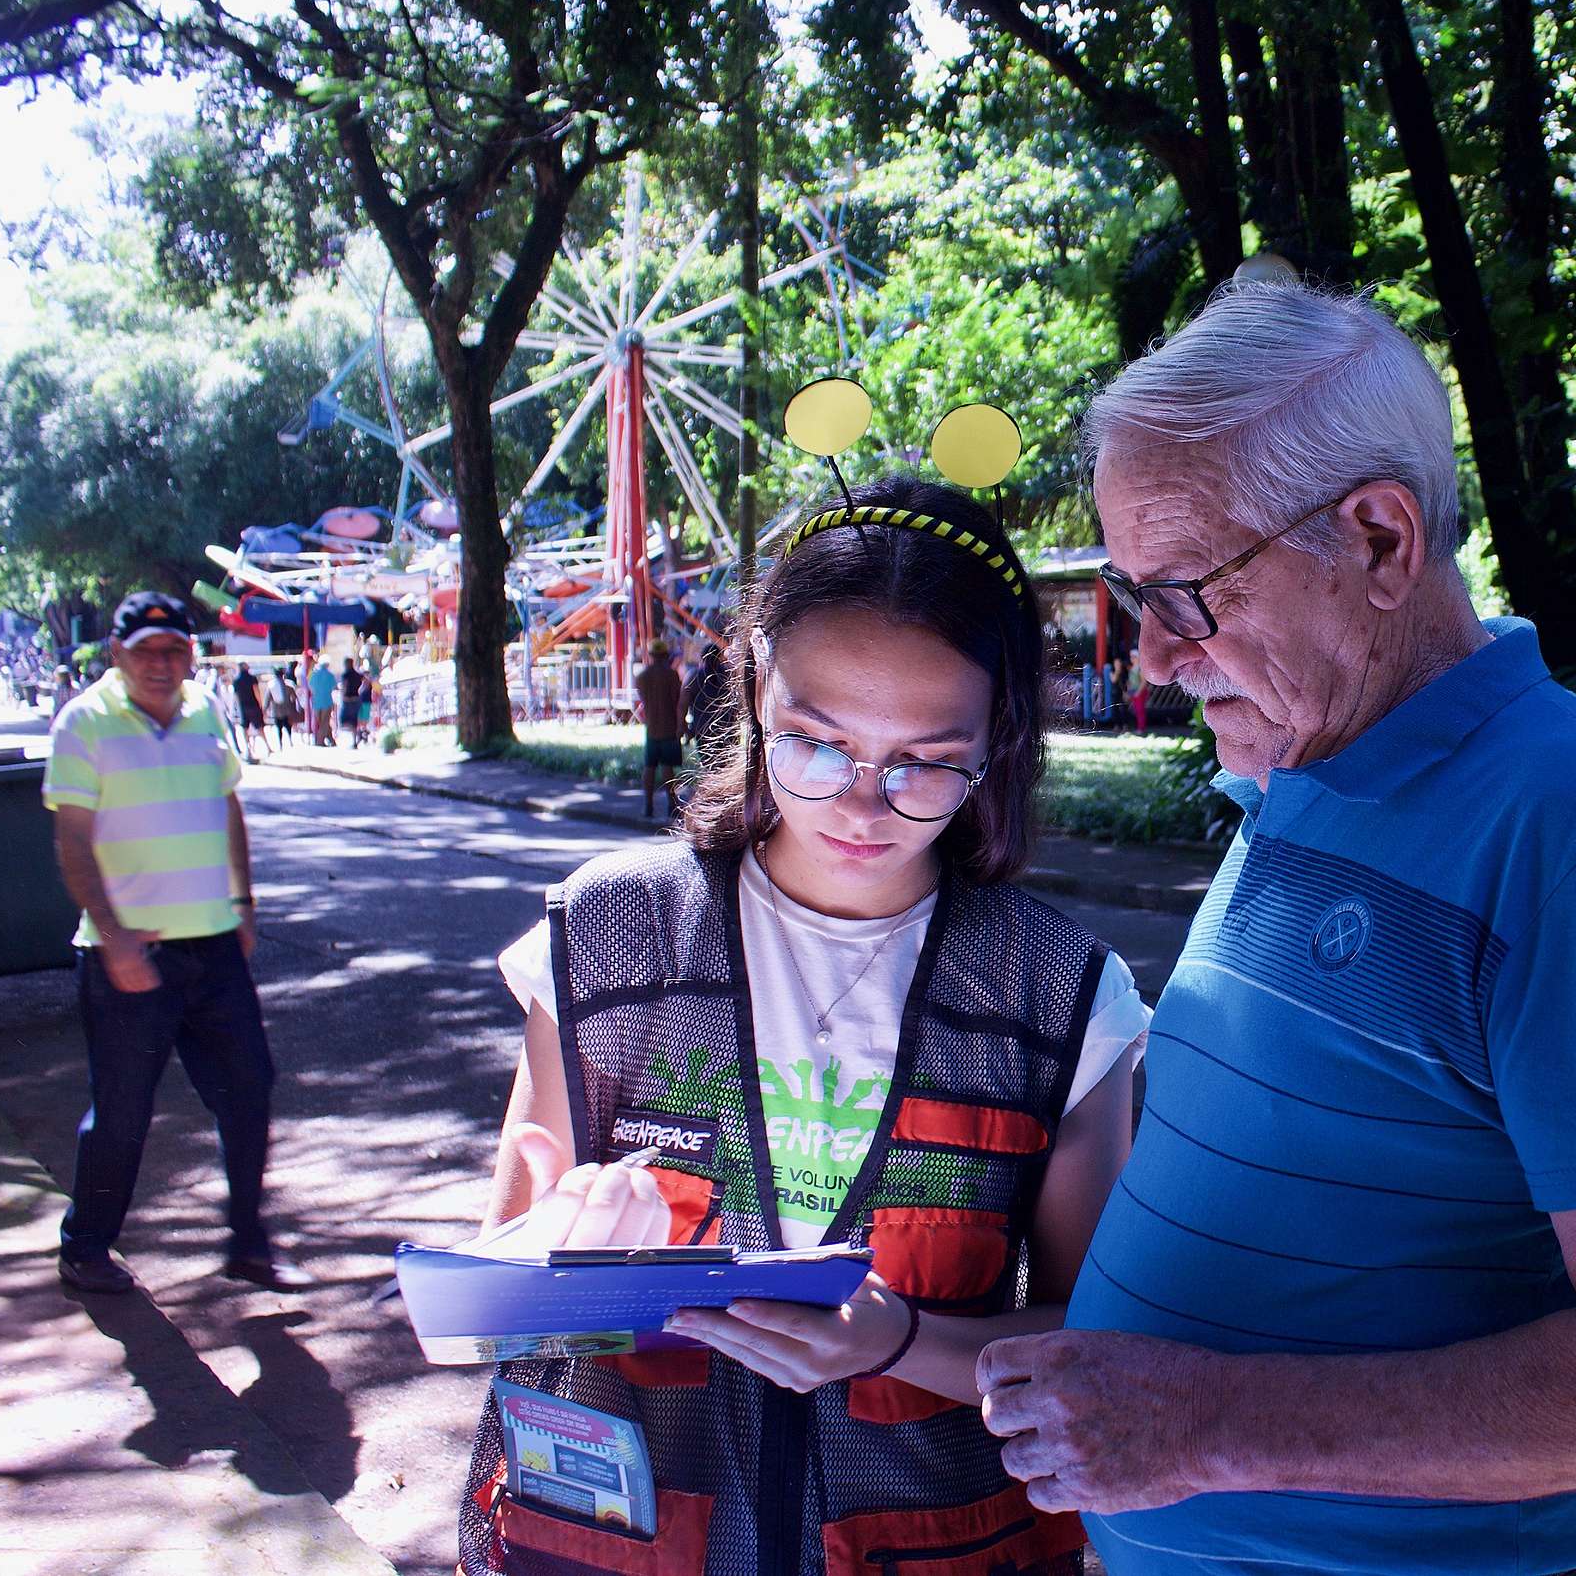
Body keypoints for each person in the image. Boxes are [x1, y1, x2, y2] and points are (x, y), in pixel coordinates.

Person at [980, 281, 1576, 1576]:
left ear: (1378, 539)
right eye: (1136, 598)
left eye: (1184, 596)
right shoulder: (1302, 767)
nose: (1150, 664)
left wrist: (1208, 1427)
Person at [456, 477, 1149, 1575]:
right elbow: (495, 1314)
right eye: (816, 743)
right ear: (754, 692)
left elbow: (1102, 1346)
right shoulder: (605, 937)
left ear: (998, 741)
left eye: (925, 760)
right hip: (625, 1538)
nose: (864, 805)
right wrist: (559, 1265)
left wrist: (906, 1343)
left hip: (928, 1537)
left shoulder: (1062, 1000)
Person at [40, 592, 307, 1294]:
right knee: (123, 1111)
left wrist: (243, 902)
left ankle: (249, 1242)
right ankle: (85, 1246)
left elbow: (227, 809)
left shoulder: (205, 711)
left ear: (192, 654)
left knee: (249, 1088)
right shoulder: (85, 723)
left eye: (175, 650)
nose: (162, 664)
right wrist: (118, 936)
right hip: (129, 954)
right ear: (118, 655)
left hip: (214, 947)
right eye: (147, 651)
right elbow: (71, 840)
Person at [633, 637, 686, 820]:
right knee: (667, 767)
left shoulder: (642, 677)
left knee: (649, 766)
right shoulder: (671, 675)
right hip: (669, 727)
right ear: (665, 655)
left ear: (651, 655)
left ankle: (648, 805)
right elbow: (677, 701)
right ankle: (671, 804)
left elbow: (643, 699)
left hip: (651, 728)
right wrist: (682, 725)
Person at [686, 639, 728, 746]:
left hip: (702, 728)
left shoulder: (694, 676)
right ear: (720, 657)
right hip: (726, 728)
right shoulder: (728, 675)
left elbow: (683, 702)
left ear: (702, 657)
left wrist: (683, 727)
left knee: (706, 760)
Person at [231, 662, 266, 760]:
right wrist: (261, 704)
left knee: (245, 729)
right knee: (260, 727)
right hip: (253, 705)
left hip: (243, 707)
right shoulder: (252, 678)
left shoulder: (236, 681)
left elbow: (236, 696)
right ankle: (268, 747)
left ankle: (248, 749)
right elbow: (256, 692)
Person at [306, 654, 336, 746]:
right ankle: (319, 741)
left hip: (316, 702)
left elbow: (310, 687)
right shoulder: (330, 675)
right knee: (325, 722)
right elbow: (334, 686)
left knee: (321, 722)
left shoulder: (314, 675)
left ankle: (331, 740)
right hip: (327, 701)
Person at [268, 666, 299, 751]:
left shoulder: (271, 685)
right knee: (288, 726)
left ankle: (280, 744)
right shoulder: (288, 685)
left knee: (279, 728)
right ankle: (290, 740)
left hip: (276, 710)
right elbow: (294, 697)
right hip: (287, 710)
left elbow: (267, 699)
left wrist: (265, 709)